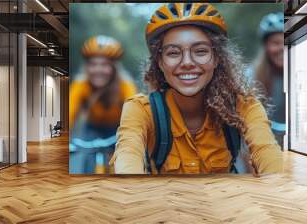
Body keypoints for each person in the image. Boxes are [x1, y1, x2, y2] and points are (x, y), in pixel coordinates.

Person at [110, 3, 282, 175]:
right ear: (160, 63)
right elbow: (128, 156)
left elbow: (267, 152)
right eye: (173, 53)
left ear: (216, 59)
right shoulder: (141, 110)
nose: (187, 63)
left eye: (200, 51)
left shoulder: (243, 106)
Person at [69, 35, 137, 174]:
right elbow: (69, 113)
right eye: (93, 64)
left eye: (105, 64)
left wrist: (133, 139)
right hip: (92, 128)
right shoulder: (80, 85)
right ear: (87, 67)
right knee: (87, 164)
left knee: (119, 167)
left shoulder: (125, 86)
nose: (98, 70)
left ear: (113, 68)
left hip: (118, 129)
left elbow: (134, 115)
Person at [246, 12, 285, 147]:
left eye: (286, 42)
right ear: (266, 47)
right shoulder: (251, 77)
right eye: (275, 43)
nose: (282, 48)